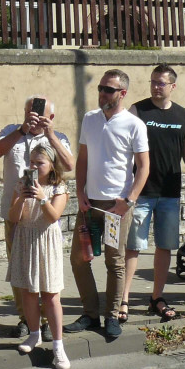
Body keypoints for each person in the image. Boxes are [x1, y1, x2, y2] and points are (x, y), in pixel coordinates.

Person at [65, 70, 149, 340]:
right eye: (101, 87)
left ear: (122, 94)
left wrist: (129, 201)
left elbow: (144, 167)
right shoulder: (90, 119)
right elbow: (82, 159)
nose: (102, 93)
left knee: (114, 262)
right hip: (89, 204)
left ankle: (112, 316)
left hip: (116, 207)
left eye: (109, 89)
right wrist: (79, 192)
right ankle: (90, 314)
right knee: (79, 259)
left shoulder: (134, 124)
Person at [121, 64, 185, 323]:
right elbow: (125, 151)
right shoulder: (138, 110)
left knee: (164, 247)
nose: (156, 87)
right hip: (141, 192)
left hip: (169, 193)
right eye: (153, 82)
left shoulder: (183, 114)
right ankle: (122, 300)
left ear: (172, 87)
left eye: (161, 83)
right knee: (133, 248)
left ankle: (157, 297)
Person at [0, 96, 73, 340]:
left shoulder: (59, 138)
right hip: (16, 212)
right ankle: (25, 319)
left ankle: (46, 321)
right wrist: (22, 129)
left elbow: (68, 165)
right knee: (19, 268)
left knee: (45, 272)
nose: (34, 117)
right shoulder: (11, 131)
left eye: (40, 115)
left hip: (44, 216)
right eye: (30, 113)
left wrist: (50, 135)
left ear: (52, 117)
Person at [7, 143, 70, 369]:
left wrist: (42, 197)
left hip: (46, 241)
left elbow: (53, 216)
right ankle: (34, 334)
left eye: (39, 163)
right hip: (25, 240)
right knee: (28, 291)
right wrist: (23, 197)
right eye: (31, 162)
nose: (33, 166)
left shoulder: (58, 187)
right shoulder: (21, 185)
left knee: (51, 295)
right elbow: (13, 217)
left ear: (51, 165)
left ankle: (58, 346)